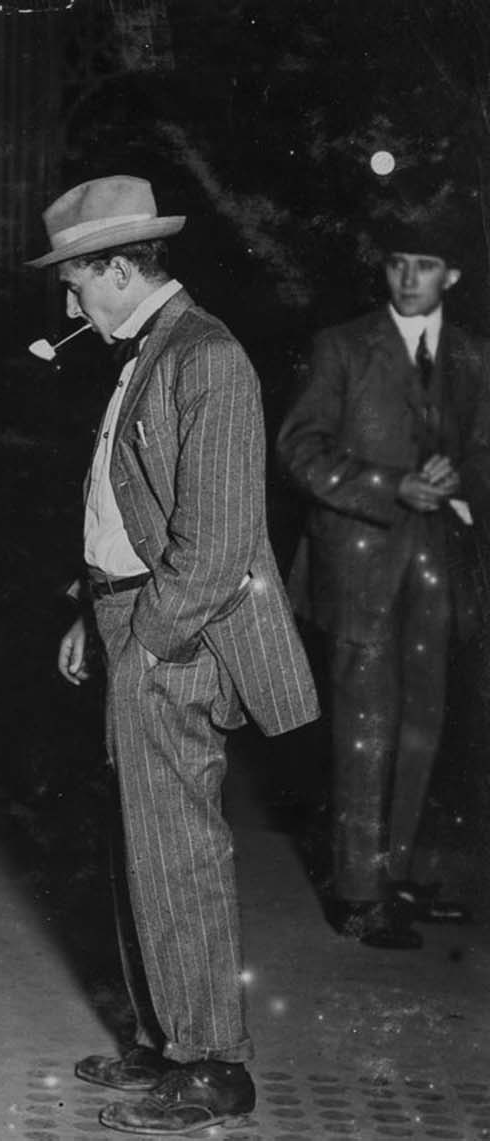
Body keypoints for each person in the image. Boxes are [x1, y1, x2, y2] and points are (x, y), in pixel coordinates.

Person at [30, 175, 320, 1135]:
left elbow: (220, 540)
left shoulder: (207, 356)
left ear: (118, 267)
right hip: (132, 617)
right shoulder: (147, 352)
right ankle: (163, 1039)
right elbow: (131, 513)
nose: (67, 302)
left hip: (176, 635)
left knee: (176, 846)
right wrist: (92, 608)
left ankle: (211, 1067)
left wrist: (147, 641)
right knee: (139, 841)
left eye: (76, 281)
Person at [277, 211, 489, 950]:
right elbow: (299, 449)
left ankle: (390, 871)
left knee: (422, 723)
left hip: (439, 564)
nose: (407, 276)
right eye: (397, 261)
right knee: (366, 728)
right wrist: (393, 485)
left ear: (451, 276)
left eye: (425, 264)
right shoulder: (340, 348)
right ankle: (356, 893)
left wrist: (459, 476)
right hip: (360, 567)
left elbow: (485, 451)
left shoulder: (472, 358)